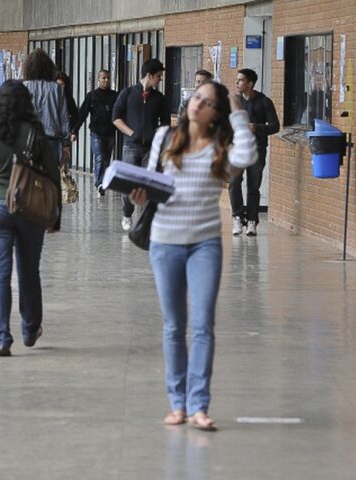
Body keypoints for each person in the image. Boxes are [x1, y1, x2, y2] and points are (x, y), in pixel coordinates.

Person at [129, 81, 257, 431]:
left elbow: (248, 157)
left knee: (202, 325)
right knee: (174, 326)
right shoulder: (164, 138)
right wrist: (141, 197)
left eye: (207, 102)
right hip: (165, 241)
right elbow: (150, 183)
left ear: (217, 114)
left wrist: (238, 110)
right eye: (196, 97)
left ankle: (199, 405)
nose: (196, 104)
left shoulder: (221, 147)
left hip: (204, 244)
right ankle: (177, 404)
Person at [0, 80, 61, 357]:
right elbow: (53, 175)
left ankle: (2, 338)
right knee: (29, 270)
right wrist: (55, 215)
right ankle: (30, 329)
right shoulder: (35, 133)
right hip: (29, 210)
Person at [112, 58, 170, 231]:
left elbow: (165, 122)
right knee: (128, 183)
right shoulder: (128, 93)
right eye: (158, 76)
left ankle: (144, 220)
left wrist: (158, 135)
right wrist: (132, 133)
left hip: (151, 148)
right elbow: (115, 118)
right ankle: (127, 213)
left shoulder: (159, 98)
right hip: (131, 146)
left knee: (148, 184)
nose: (160, 79)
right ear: (149, 75)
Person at [229, 68, 279, 236]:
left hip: (257, 149)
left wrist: (257, 128)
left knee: (253, 185)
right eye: (237, 80)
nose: (237, 83)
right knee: (234, 182)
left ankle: (252, 220)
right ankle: (237, 216)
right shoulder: (234, 101)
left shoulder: (264, 102)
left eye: (240, 80)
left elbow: (275, 126)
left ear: (250, 84)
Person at [72, 69, 118, 197]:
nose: (106, 80)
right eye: (103, 78)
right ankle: (99, 184)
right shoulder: (92, 95)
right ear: (98, 80)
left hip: (110, 132)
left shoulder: (115, 96)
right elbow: (82, 114)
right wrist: (75, 130)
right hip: (96, 132)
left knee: (106, 159)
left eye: (108, 78)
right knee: (99, 157)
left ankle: (102, 182)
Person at [22, 49, 69, 166]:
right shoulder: (57, 89)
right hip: (51, 141)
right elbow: (64, 118)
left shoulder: (23, 87)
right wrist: (66, 144)